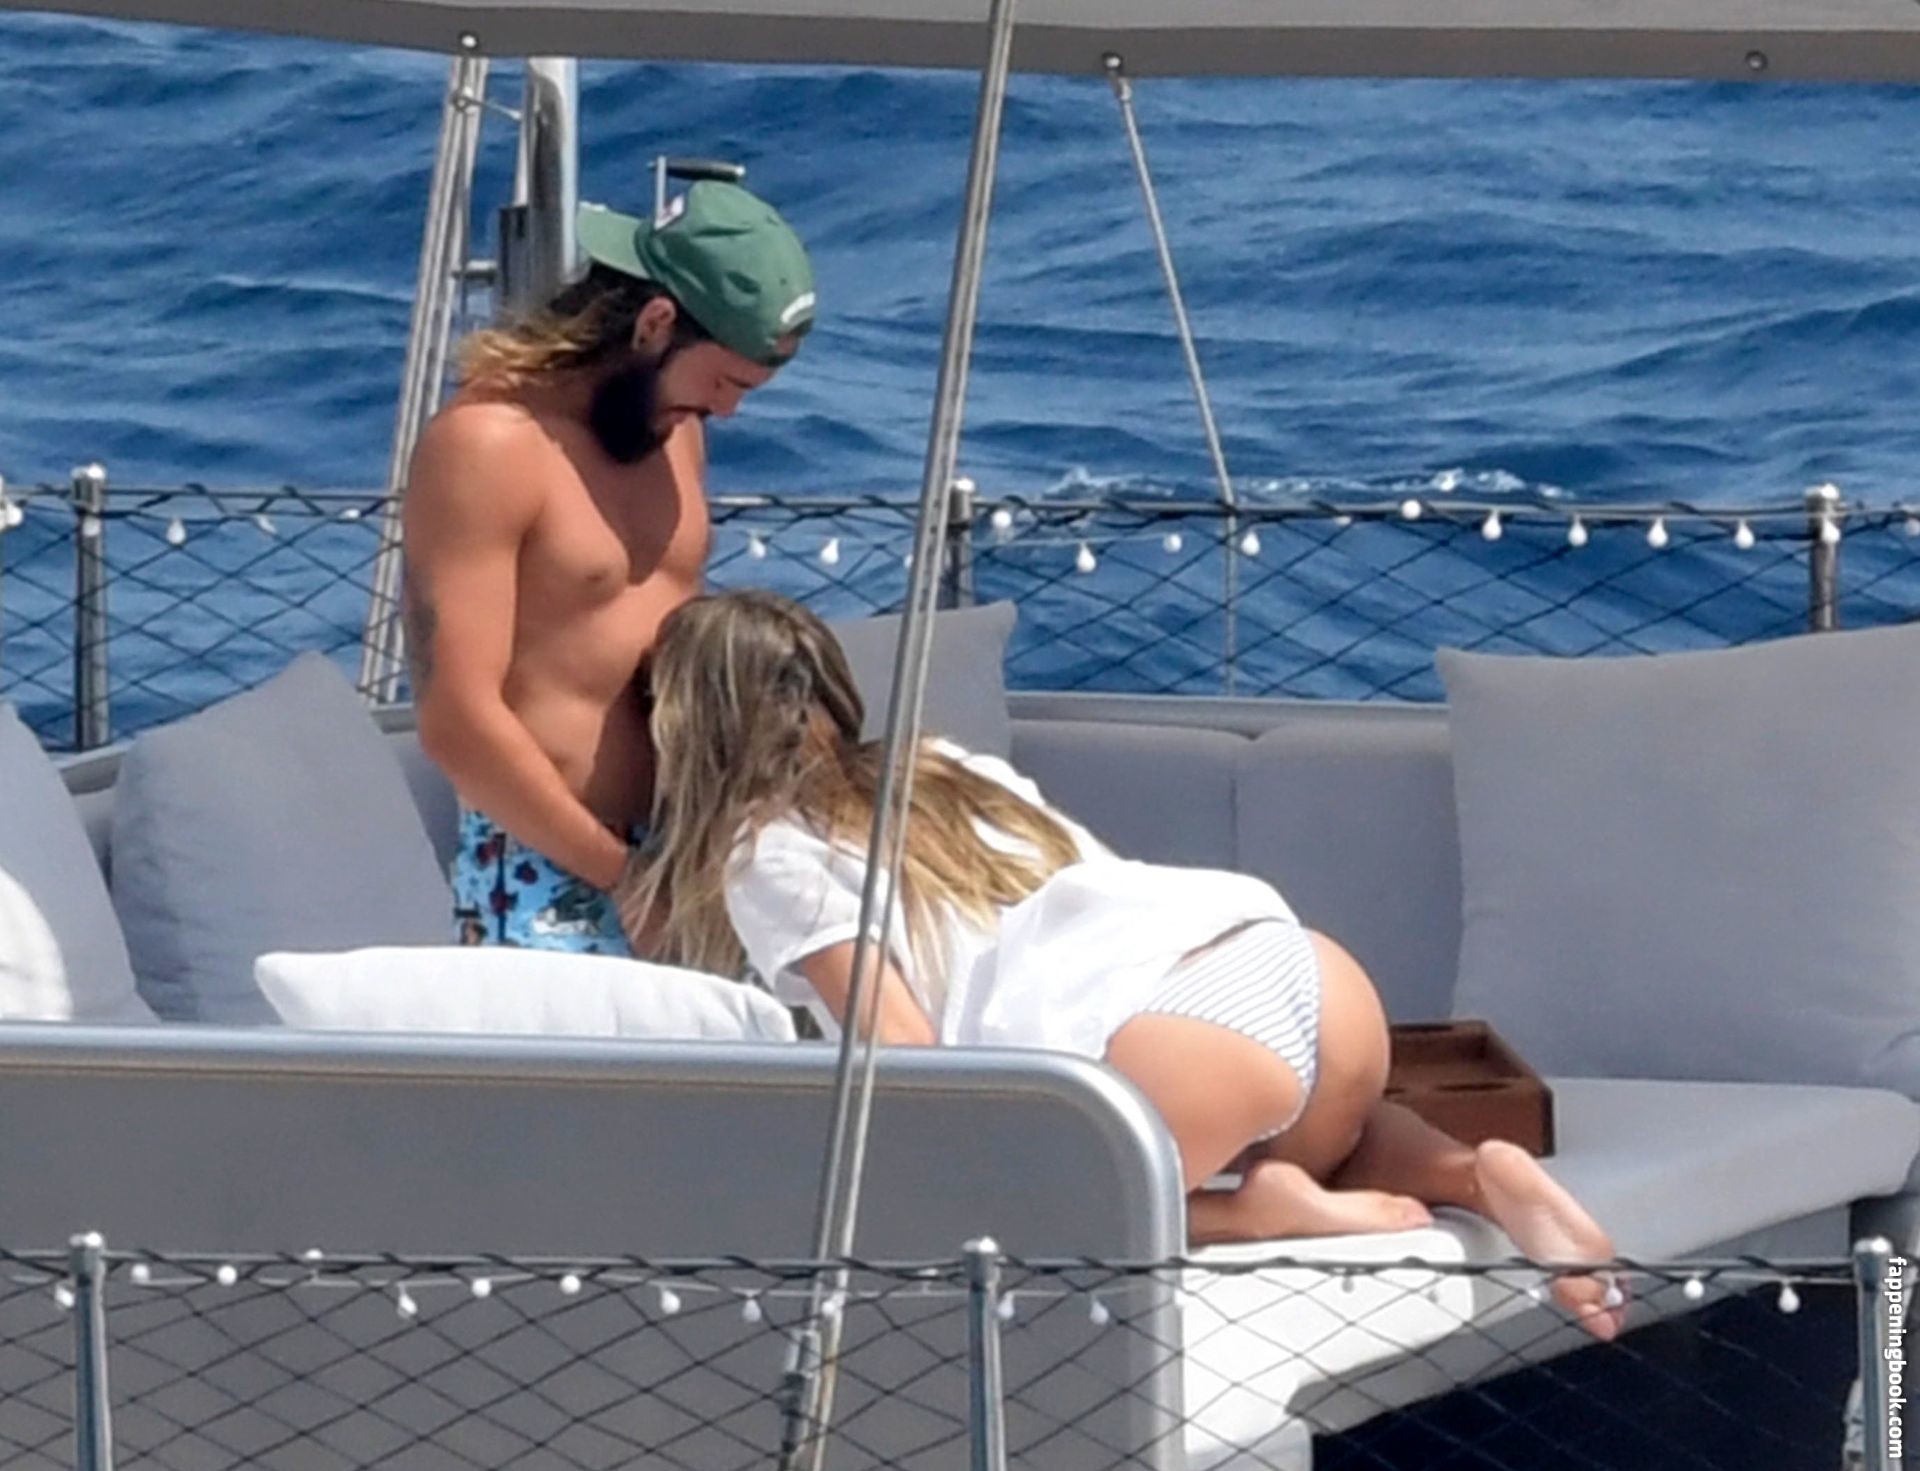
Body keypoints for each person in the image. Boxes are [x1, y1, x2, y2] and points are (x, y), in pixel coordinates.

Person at [623, 589, 1626, 1340]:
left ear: (688, 728)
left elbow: (908, 1050)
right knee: (1340, 1136)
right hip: (1300, 967)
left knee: (1015, 1225)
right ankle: (1476, 1175)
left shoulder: (767, 849)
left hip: (1171, 1030)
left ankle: (1241, 1215)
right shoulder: (942, 765)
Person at [401, 181, 815, 953]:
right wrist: (621, 877)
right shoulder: (490, 446)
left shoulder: (675, 429)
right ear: (655, 324)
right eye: (723, 381)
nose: (728, 411)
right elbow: (455, 719)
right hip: (549, 868)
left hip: (680, 855)